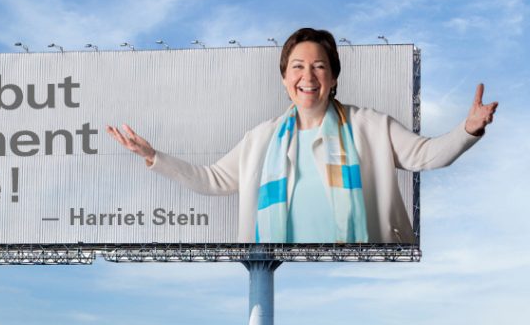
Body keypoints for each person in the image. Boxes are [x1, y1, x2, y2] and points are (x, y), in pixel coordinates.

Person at [106, 27, 497, 244]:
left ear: (334, 77)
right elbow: (214, 179)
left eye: (318, 66)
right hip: (284, 273)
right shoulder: (262, 139)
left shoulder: (370, 126)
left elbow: (425, 155)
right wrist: (155, 156)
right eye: (297, 67)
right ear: (284, 79)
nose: (307, 77)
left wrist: (467, 130)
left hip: (354, 273)